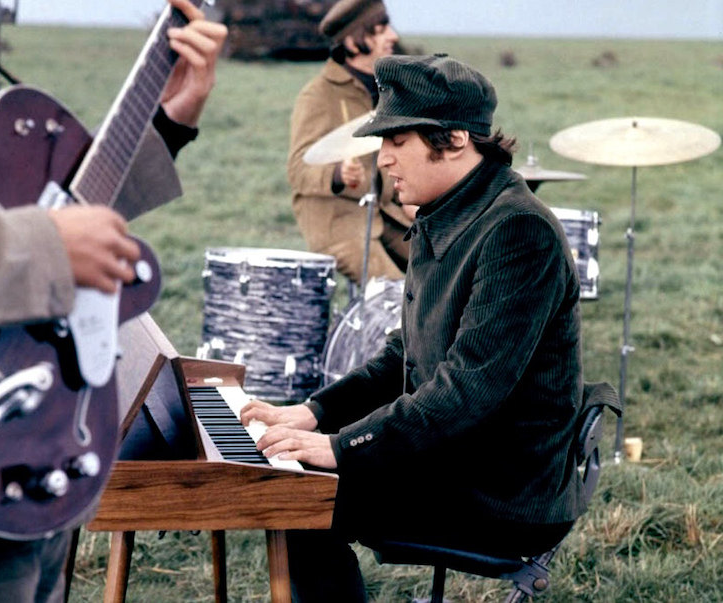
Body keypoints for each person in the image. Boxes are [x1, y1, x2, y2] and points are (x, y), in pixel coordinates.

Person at [242, 54, 587, 602]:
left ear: (451, 139)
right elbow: (404, 354)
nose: (382, 159)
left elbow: (465, 390)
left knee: (296, 498)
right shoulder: (449, 210)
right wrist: (315, 411)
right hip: (463, 458)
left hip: (503, 489)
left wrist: (343, 448)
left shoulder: (517, 231)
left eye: (395, 141)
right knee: (291, 489)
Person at [0, 0, 226, 600]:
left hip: (19, 460)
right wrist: (45, 248)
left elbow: (4, 208)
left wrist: (166, 123)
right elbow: (39, 239)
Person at [287, 0, 412, 286]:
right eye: (381, 31)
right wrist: (337, 175)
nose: (393, 36)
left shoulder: (386, 90)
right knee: (393, 295)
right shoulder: (317, 96)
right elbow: (296, 170)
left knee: (446, 266)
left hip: (386, 214)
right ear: (355, 42)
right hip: (338, 223)